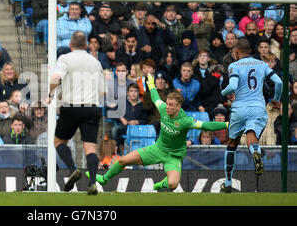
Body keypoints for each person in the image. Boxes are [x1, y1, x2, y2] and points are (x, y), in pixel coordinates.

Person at [86, 73, 228, 190]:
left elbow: (208, 126)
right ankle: (104, 179)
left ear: (178, 107)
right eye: (167, 103)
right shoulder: (163, 109)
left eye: (171, 105)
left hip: (173, 156)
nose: (167, 107)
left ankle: (161, 184)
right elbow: (155, 98)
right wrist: (152, 84)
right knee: (123, 160)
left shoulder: (186, 121)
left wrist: (227, 124)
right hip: (157, 149)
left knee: (172, 185)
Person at [220, 38, 283, 193]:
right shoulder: (262, 64)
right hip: (257, 107)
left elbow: (233, 86)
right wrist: (276, 99)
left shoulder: (234, 65)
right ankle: (255, 151)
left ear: (236, 52)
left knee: (232, 144)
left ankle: (228, 183)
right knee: (251, 134)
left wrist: (223, 92)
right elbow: (279, 82)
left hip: (239, 108)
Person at [47, 30, 104, 195]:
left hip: (71, 107)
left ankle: (73, 169)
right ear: (86, 45)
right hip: (92, 108)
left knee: (59, 142)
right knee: (90, 148)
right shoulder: (95, 62)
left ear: (70, 45)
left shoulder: (65, 58)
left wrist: (51, 94)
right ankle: (92, 183)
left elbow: (55, 79)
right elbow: (102, 91)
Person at [111, 83, 147, 155]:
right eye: (131, 91)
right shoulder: (122, 102)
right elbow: (113, 112)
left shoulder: (142, 105)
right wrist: (121, 118)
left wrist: (137, 122)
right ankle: (117, 155)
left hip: (138, 128)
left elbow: (146, 119)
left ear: (138, 93)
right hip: (124, 127)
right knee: (114, 130)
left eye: (135, 91)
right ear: (128, 93)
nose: (133, 93)